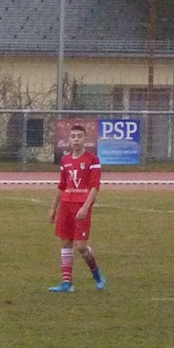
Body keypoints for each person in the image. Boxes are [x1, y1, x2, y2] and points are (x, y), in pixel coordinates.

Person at [47, 123, 105, 292]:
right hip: (66, 205)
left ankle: (96, 272)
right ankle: (67, 283)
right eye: (73, 137)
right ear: (69, 140)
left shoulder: (92, 160)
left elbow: (95, 186)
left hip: (81, 206)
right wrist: (53, 208)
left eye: (79, 136)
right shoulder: (65, 161)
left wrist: (86, 207)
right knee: (66, 242)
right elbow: (62, 185)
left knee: (80, 246)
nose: (76, 140)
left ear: (85, 139)